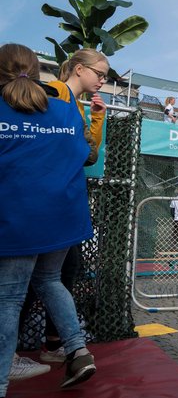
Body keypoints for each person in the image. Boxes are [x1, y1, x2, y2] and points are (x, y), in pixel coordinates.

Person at [0, 43, 97, 395]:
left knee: (9, 298)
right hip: (62, 217)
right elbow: (86, 155)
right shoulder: (65, 110)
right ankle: (77, 348)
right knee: (50, 279)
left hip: (18, 217)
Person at [18, 48, 108, 367]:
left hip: (58, 204)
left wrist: (97, 118)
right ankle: (19, 349)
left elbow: (89, 154)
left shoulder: (76, 106)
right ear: (80, 69)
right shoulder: (55, 92)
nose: (103, 80)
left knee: (58, 274)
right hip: (43, 202)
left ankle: (58, 343)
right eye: (100, 73)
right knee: (33, 279)